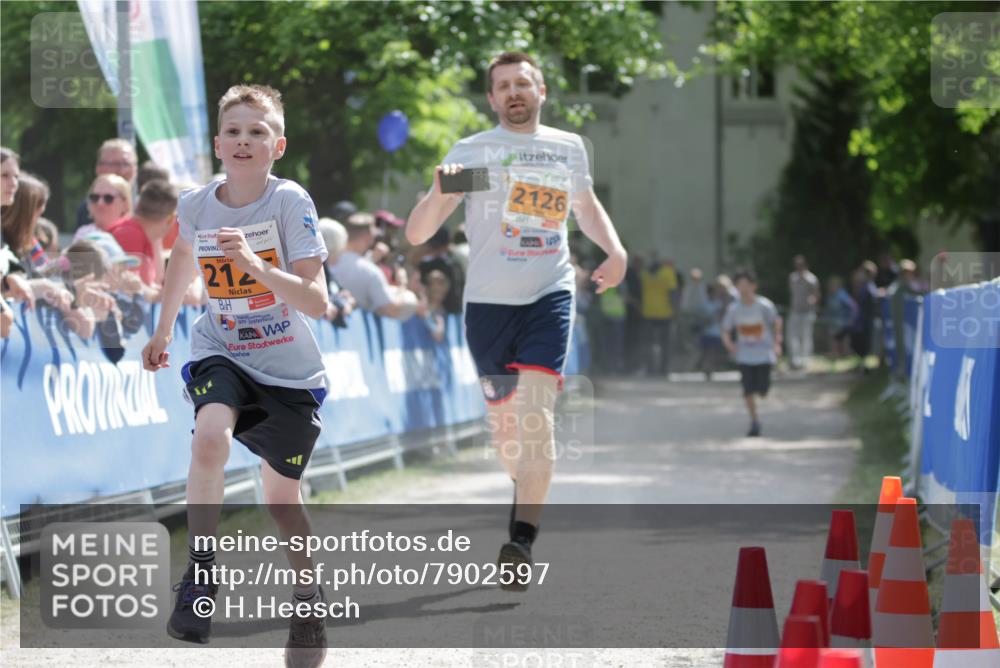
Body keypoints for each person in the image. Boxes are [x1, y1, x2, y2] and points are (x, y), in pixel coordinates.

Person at [406, 51, 627, 588]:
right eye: (503, 86)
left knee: (537, 416)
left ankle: (520, 541)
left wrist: (615, 251)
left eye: (522, 83)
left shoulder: (565, 149)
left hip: (549, 293)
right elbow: (416, 232)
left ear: (542, 91)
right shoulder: (477, 156)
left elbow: (586, 204)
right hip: (487, 305)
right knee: (510, 433)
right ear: (491, 98)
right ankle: (526, 486)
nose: (513, 92)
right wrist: (440, 191)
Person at [140, 84, 330, 666]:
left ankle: (307, 594)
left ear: (278, 144)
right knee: (210, 437)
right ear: (217, 143)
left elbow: (318, 302)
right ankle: (200, 575)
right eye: (234, 131)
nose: (244, 140)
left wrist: (252, 265)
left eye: (257, 131)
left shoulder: (288, 201)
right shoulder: (196, 203)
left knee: (281, 502)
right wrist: (165, 328)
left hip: (288, 371)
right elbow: (180, 259)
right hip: (220, 347)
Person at [721, 270, 783, 437]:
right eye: (739, 285)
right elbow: (726, 330)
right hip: (744, 356)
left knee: (762, 391)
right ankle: (754, 421)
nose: (743, 289)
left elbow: (776, 322)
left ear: (753, 286)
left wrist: (777, 343)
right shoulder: (734, 309)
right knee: (748, 391)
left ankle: (761, 392)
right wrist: (729, 344)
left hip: (764, 355)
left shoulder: (764, 306)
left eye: (745, 285)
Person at [330, 212, 419, 319]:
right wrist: (402, 285)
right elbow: (392, 310)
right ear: (368, 235)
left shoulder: (329, 259)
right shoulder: (371, 272)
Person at [109, 179, 179, 289]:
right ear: (171, 219)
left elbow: (153, 282)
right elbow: (131, 292)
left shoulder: (140, 234)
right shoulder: (130, 235)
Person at [74, 139, 138, 229]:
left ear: (136, 169)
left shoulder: (147, 206)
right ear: (98, 169)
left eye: (126, 164)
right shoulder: (90, 207)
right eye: (115, 164)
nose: (122, 170)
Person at [640, 251, 678, 377]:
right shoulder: (668, 273)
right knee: (665, 344)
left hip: (648, 312)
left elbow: (640, 292)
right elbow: (672, 293)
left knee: (649, 343)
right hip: (665, 313)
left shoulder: (644, 273)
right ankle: (663, 370)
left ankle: (650, 369)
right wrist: (675, 310)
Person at [317, 217, 355, 327]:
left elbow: (341, 291)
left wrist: (347, 299)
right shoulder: (317, 269)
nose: (343, 250)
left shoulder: (327, 269)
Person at [786, 254, 820, 370]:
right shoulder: (792, 278)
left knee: (806, 336)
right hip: (795, 311)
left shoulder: (812, 279)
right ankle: (795, 360)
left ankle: (806, 360)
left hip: (807, 312)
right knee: (792, 336)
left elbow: (816, 294)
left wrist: (812, 300)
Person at [74, 174, 132, 240]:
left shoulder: (132, 234)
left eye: (108, 198)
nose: (100, 203)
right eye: (95, 197)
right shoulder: (83, 234)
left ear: (125, 204)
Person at [824, 275, 856, 359]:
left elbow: (852, 307)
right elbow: (829, 310)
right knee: (833, 336)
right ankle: (836, 354)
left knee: (839, 337)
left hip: (843, 322)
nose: (830, 287)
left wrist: (851, 319)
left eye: (832, 285)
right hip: (834, 322)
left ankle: (844, 354)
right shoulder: (830, 296)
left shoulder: (842, 295)